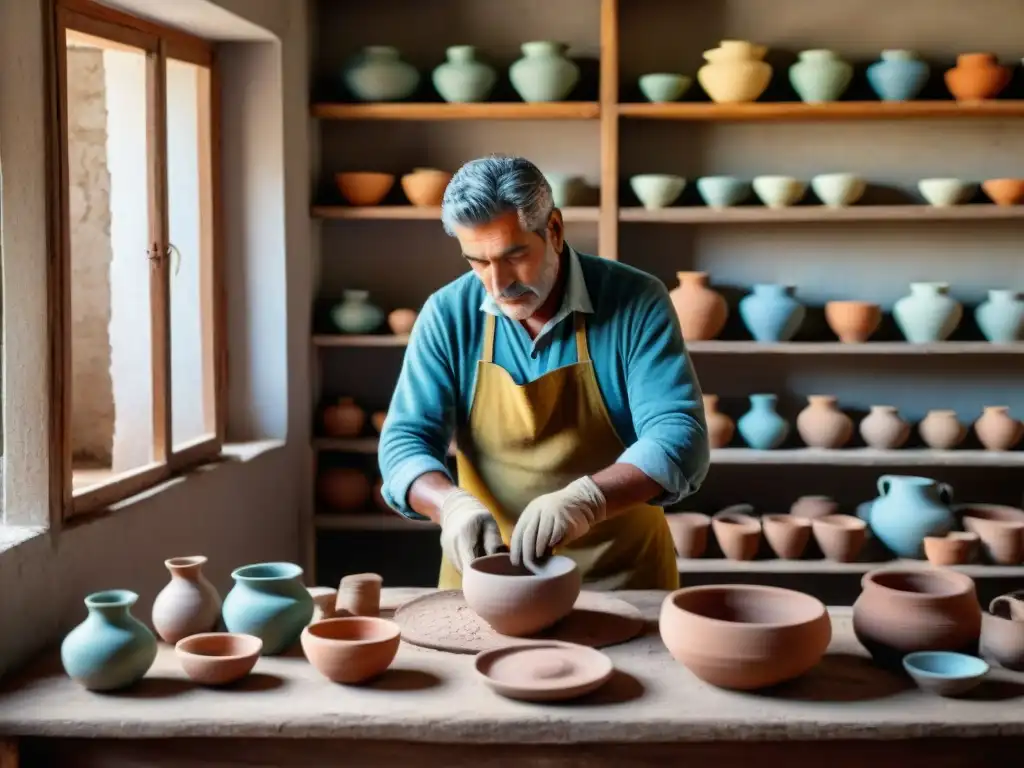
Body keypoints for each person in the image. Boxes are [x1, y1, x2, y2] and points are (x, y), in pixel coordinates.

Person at [377, 154, 710, 590]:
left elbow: (679, 436)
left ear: (553, 230)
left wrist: (587, 501)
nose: (497, 285)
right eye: (477, 261)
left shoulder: (636, 301)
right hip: (487, 583)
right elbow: (404, 442)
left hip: (621, 581)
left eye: (513, 255)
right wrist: (449, 505)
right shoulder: (447, 314)